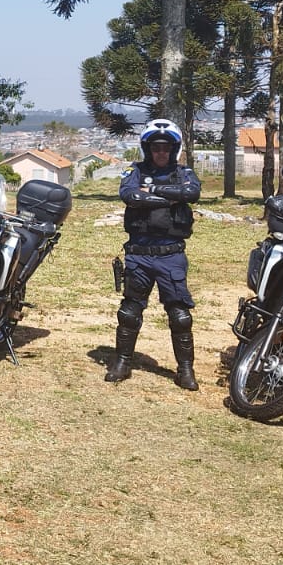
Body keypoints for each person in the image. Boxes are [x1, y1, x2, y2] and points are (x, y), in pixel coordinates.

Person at [106, 118, 201, 390]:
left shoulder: (184, 173)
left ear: (174, 149)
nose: (161, 152)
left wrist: (155, 190)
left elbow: (191, 193)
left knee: (180, 316)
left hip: (171, 255)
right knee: (129, 312)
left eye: (166, 148)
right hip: (139, 254)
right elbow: (130, 196)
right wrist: (171, 198)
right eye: (156, 147)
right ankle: (122, 363)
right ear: (148, 148)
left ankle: (185, 371)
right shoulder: (134, 171)